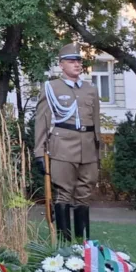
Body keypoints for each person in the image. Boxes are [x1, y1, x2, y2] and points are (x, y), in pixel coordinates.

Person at [33, 43, 101, 241]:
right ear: (61, 64)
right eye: (71, 61)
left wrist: (97, 150)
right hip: (63, 146)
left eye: (79, 61)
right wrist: (39, 151)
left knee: (84, 194)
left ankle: (83, 243)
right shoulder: (51, 88)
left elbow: (96, 121)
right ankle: (65, 244)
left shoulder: (90, 89)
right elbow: (42, 121)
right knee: (63, 193)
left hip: (88, 147)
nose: (77, 64)